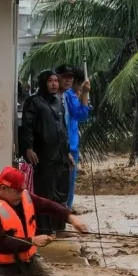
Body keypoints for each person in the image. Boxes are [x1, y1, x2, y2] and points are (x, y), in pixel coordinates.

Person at [19, 69, 74, 235]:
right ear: (43, 82)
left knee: (61, 193)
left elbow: (63, 129)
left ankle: (59, 227)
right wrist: (28, 148)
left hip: (60, 155)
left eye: (56, 81)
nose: (54, 84)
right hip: (44, 155)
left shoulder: (58, 103)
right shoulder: (34, 102)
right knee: (45, 194)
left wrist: (68, 152)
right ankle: (43, 229)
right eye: (50, 81)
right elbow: (27, 127)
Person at [55, 64, 91, 210]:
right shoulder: (68, 95)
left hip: (72, 145)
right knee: (67, 183)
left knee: (69, 182)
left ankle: (65, 212)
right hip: (67, 145)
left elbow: (82, 114)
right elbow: (80, 114)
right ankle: (64, 212)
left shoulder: (69, 95)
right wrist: (84, 94)